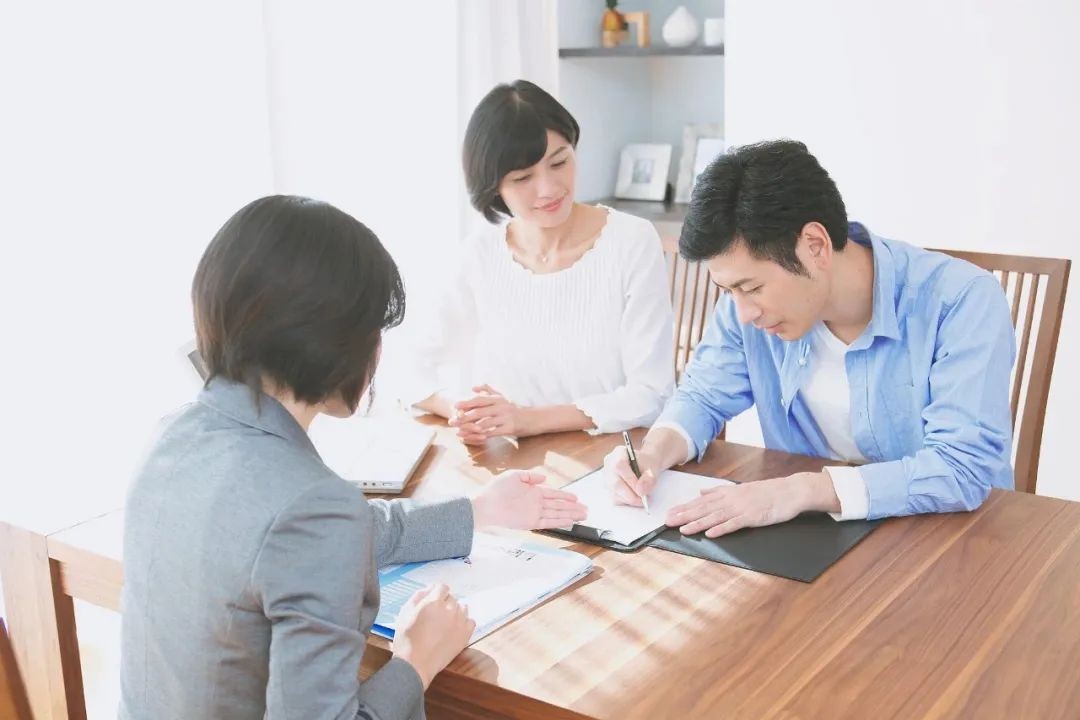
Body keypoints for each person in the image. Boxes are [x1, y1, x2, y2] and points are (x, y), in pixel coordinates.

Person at [119, 195, 587, 720]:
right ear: (334, 343)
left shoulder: (172, 435)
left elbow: (322, 534)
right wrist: (416, 661)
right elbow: (315, 529)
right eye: (375, 332)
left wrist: (479, 511)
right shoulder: (312, 505)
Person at [605, 139, 1015, 537]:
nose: (743, 313)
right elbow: (702, 396)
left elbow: (961, 467)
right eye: (728, 291)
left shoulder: (961, 300)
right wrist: (653, 453)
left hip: (949, 537)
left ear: (815, 246)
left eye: (751, 288)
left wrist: (801, 490)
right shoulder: (746, 308)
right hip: (814, 535)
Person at [412, 80, 674, 445]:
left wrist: (527, 420)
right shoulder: (481, 253)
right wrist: (465, 410)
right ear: (494, 186)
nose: (549, 189)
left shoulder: (632, 241)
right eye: (523, 178)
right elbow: (411, 367)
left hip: (608, 454)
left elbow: (651, 393)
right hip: (509, 460)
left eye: (559, 162)